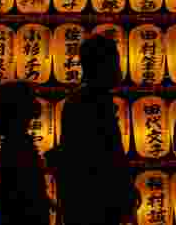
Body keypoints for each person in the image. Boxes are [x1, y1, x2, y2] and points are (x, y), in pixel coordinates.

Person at [48, 33, 139, 225]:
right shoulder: (90, 105)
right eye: (114, 61)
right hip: (95, 206)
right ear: (101, 66)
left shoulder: (84, 101)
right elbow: (102, 158)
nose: (118, 68)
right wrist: (122, 189)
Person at [0, 81, 53, 225]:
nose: (36, 104)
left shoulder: (12, 140)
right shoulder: (18, 142)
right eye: (32, 99)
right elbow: (23, 188)